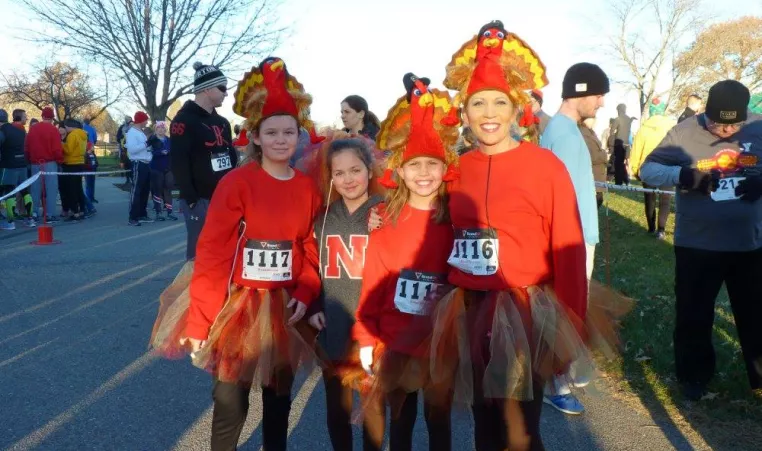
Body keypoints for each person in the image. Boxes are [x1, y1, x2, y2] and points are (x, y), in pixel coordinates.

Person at [150, 56, 323, 451]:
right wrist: (200, 321)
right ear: (255, 137)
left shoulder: (308, 189)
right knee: (230, 398)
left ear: (300, 135)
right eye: (272, 132)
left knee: (279, 397)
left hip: (284, 306)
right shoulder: (236, 184)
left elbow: (311, 246)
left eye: (289, 132)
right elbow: (212, 253)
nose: (281, 140)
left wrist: (307, 290)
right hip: (238, 302)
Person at [442, 21, 596, 449]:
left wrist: (570, 329)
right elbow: (431, 227)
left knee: (521, 431)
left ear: (515, 110)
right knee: (484, 425)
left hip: (527, 313)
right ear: (464, 111)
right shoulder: (456, 169)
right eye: (478, 104)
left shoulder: (545, 167)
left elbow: (568, 247)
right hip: (469, 310)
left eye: (498, 103)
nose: (488, 114)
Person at [347, 73, 460, 451]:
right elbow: (373, 279)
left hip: (442, 340)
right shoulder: (385, 221)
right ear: (401, 170)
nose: (424, 174)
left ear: (446, 169)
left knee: (440, 420)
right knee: (401, 421)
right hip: (396, 338)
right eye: (414, 165)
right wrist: (365, 336)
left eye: (432, 164)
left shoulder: (457, 218)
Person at [639, 79, 762, 401]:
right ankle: (693, 378)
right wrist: (682, 176)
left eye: (733, 125)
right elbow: (647, 170)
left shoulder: (760, 126)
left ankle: (759, 378)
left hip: (749, 244)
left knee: (755, 315)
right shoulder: (683, 131)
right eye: (718, 124)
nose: (724, 131)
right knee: (694, 314)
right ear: (706, 113)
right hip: (697, 244)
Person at [303, 133, 386, 450]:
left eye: (355, 170)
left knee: (373, 407)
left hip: (373, 326)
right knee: (337, 408)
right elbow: (312, 265)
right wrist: (313, 305)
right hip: (335, 323)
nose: (348, 179)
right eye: (339, 173)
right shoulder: (323, 218)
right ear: (330, 177)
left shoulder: (385, 212)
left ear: (369, 170)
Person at [540, 62, 610, 415]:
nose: (600, 104)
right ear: (581, 93)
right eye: (598, 96)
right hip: (573, 240)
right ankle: (557, 383)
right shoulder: (565, 135)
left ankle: (561, 371)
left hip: (578, 236)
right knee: (567, 310)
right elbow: (560, 198)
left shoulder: (564, 131)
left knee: (569, 309)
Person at [170, 62, 238, 259]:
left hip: (225, 199)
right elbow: (178, 161)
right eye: (222, 88)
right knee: (200, 250)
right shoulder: (183, 121)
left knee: (226, 249)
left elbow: (230, 157)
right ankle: (192, 288)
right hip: (199, 199)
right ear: (207, 89)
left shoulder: (223, 122)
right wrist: (191, 199)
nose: (226, 94)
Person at [629, 98, 676, 239]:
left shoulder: (643, 128)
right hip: (668, 167)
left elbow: (636, 151)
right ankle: (661, 230)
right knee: (665, 199)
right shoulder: (672, 126)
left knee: (649, 197)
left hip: (648, 167)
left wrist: (636, 169)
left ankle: (651, 227)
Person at [25, 106, 63, 223]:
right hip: (50, 163)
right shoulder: (53, 130)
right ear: (52, 118)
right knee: (51, 189)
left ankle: (34, 212)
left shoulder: (33, 129)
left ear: (42, 116)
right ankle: (49, 214)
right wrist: (60, 160)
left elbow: (27, 147)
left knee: (35, 189)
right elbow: (57, 148)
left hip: (35, 163)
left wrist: (29, 159)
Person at [0, 109, 36, 230]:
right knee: (25, 191)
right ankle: (30, 219)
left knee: (10, 191)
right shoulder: (20, 130)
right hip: (22, 164)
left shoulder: (3, 131)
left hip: (9, 165)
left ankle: (10, 222)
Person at [126, 111, 153, 226]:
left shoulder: (140, 132)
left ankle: (142, 213)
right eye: (146, 120)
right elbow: (132, 150)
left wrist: (150, 151)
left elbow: (145, 148)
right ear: (141, 120)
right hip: (138, 163)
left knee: (145, 190)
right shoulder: (132, 132)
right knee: (136, 190)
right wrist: (147, 144)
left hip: (146, 163)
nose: (147, 122)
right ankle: (133, 216)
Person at [147, 122, 177, 221]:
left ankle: (169, 212)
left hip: (168, 168)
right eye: (158, 128)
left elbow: (174, 151)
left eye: (162, 128)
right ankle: (158, 212)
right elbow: (147, 152)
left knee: (168, 189)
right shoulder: (152, 140)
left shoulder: (169, 140)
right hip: (156, 168)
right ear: (155, 130)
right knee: (157, 190)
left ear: (165, 129)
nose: (161, 130)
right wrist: (159, 152)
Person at [60, 119, 88, 222]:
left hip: (71, 163)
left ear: (68, 126)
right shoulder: (83, 135)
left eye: (66, 127)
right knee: (79, 188)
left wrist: (61, 144)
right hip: (80, 162)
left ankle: (75, 212)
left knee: (71, 189)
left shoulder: (72, 135)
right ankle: (82, 210)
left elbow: (68, 150)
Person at [580, 117, 608, 208]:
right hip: (592, 174)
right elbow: (593, 156)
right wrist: (604, 155)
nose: (595, 121)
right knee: (595, 202)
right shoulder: (584, 134)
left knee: (598, 201)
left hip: (597, 174)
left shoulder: (590, 132)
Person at [82, 118, 99, 204]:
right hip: (88, 159)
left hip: (90, 159)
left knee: (90, 181)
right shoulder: (92, 129)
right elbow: (95, 138)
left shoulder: (83, 128)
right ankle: (90, 197)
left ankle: (91, 197)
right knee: (89, 182)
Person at [116, 116, 133, 184]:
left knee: (131, 163)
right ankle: (127, 179)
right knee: (125, 163)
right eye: (127, 119)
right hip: (124, 147)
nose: (128, 121)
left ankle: (132, 178)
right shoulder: (122, 127)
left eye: (129, 119)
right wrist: (121, 138)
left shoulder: (133, 126)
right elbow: (118, 137)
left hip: (132, 147)